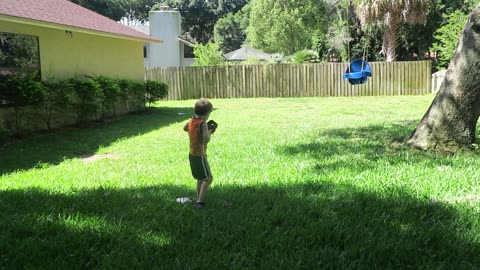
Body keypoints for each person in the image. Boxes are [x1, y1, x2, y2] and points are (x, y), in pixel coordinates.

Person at [183, 98, 215, 209]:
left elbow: (185, 128)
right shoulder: (203, 124)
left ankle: (198, 198)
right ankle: (200, 202)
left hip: (192, 155)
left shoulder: (191, 121)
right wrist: (209, 132)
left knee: (200, 178)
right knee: (208, 178)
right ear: (207, 113)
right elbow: (206, 139)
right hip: (200, 155)